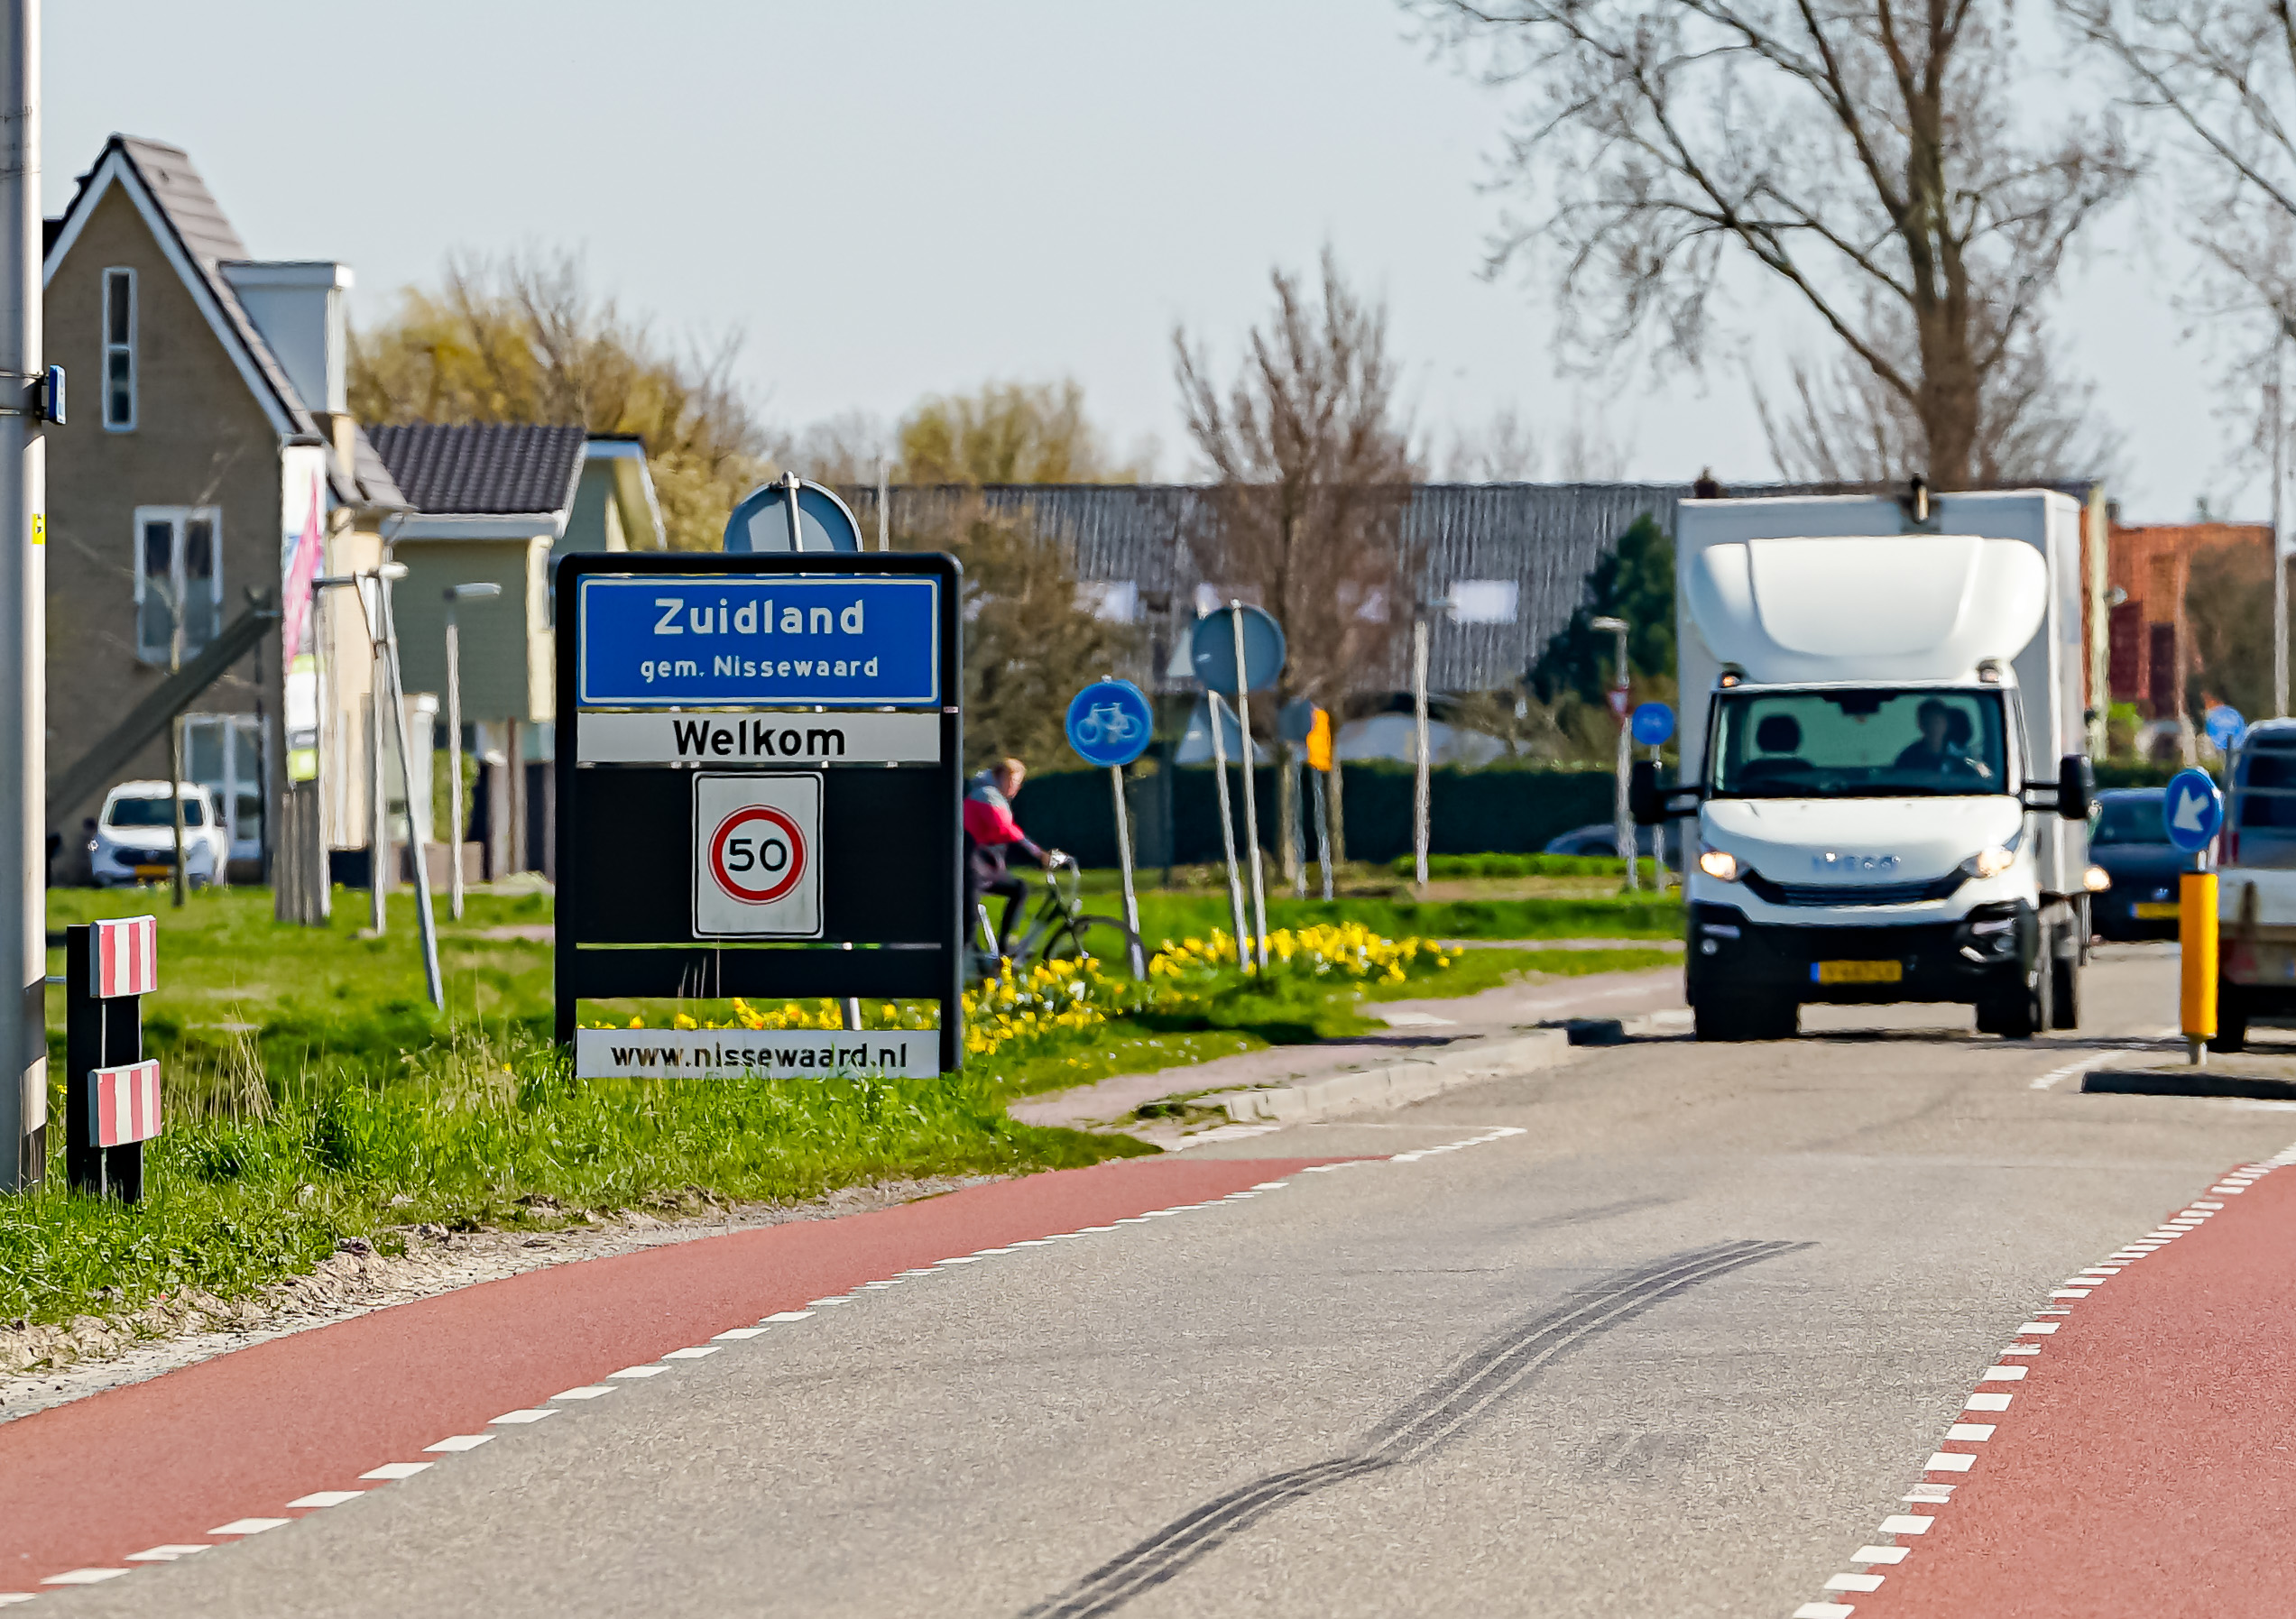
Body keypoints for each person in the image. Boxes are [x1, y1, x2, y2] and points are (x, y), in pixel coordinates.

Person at [964, 757, 1049, 956]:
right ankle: (980, 963)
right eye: (1014, 782)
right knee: (966, 929)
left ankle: (1002, 949)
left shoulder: (990, 794)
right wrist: (1037, 853)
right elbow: (1002, 828)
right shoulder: (986, 794)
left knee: (1019, 888)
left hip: (980, 867)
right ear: (1000, 776)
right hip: (970, 868)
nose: (1017, 788)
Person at [1895, 698, 1983, 779]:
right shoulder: (1908, 757)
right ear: (1920, 725)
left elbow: (1979, 779)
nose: (1934, 727)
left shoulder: (1962, 756)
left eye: (1938, 722)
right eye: (1929, 722)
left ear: (1947, 724)